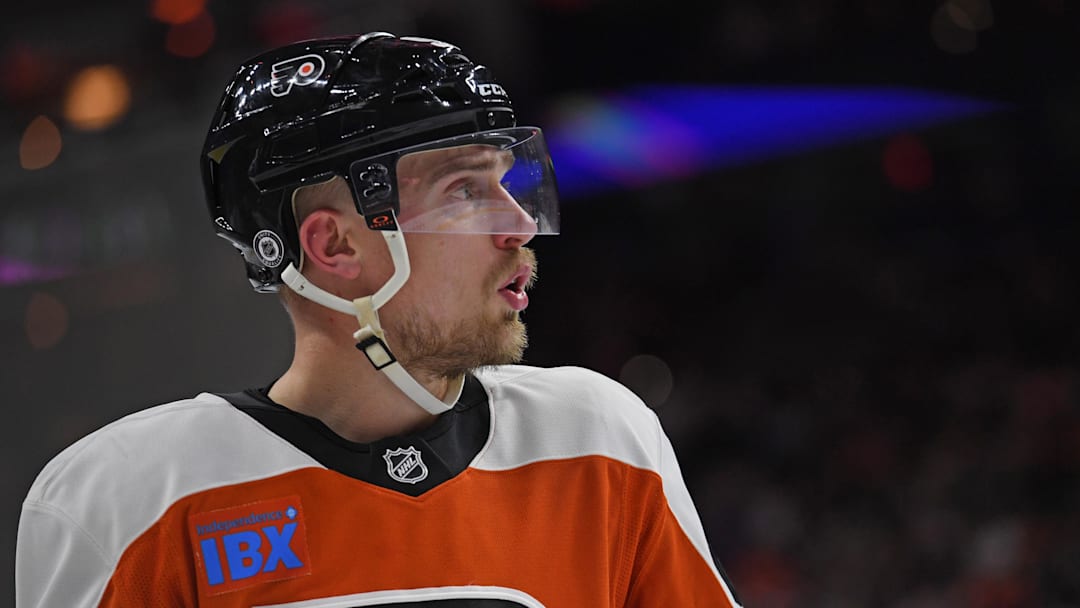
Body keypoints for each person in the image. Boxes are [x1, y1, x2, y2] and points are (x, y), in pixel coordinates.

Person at [16, 32, 743, 607]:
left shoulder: (601, 445)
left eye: (509, 183)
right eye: (464, 190)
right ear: (333, 245)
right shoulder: (135, 500)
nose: (519, 224)